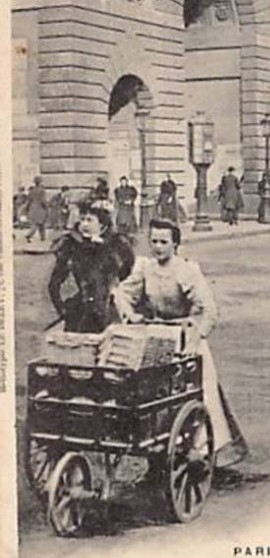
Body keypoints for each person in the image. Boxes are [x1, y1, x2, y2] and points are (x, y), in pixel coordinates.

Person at [114, 218, 247, 464]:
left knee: (200, 392)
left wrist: (195, 336)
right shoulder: (145, 268)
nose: (158, 247)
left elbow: (208, 309)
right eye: (154, 241)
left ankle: (203, 450)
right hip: (155, 337)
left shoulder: (187, 270)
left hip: (186, 337)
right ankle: (158, 445)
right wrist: (131, 315)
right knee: (153, 395)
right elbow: (123, 293)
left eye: (164, 242)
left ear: (175, 244)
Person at [48, 203, 135, 332]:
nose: (84, 224)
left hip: (109, 311)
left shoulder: (117, 244)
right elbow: (54, 283)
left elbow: (128, 275)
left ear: (102, 224)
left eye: (90, 220)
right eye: (82, 219)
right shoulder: (71, 245)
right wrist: (63, 309)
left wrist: (118, 297)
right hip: (79, 313)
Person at [26, 176, 48, 243]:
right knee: (41, 224)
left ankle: (42, 237)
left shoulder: (31, 190)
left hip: (32, 208)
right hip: (40, 208)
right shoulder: (42, 191)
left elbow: (29, 200)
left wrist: (27, 208)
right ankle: (30, 235)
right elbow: (43, 200)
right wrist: (46, 207)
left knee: (35, 223)